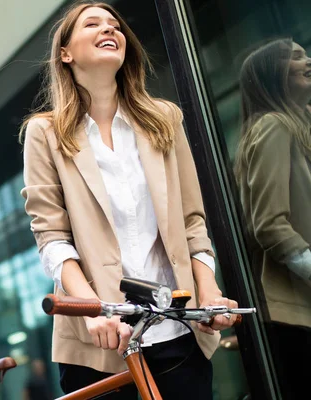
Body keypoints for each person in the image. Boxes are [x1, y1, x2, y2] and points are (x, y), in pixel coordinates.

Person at [20, 2, 238, 399]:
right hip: (98, 342)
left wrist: (207, 291)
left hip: (176, 327)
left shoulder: (165, 119)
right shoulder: (45, 133)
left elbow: (192, 221)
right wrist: (91, 310)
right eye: (93, 24)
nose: (110, 29)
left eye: (115, 25)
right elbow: (52, 237)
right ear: (65, 54)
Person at [234, 38, 311, 400]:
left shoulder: (297, 125)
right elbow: (269, 224)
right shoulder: (274, 126)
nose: (307, 60)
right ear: (273, 74)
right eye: (295, 56)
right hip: (294, 311)